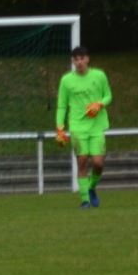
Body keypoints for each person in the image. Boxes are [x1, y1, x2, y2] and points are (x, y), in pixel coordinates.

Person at [55, 45, 113, 209]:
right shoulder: (66, 80)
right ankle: (85, 200)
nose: (79, 62)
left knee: (98, 164)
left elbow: (108, 95)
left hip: (97, 126)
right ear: (72, 61)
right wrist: (60, 127)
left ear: (87, 59)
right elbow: (62, 105)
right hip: (77, 126)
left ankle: (91, 187)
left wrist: (99, 104)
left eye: (82, 58)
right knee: (81, 161)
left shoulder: (99, 76)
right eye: (76, 59)